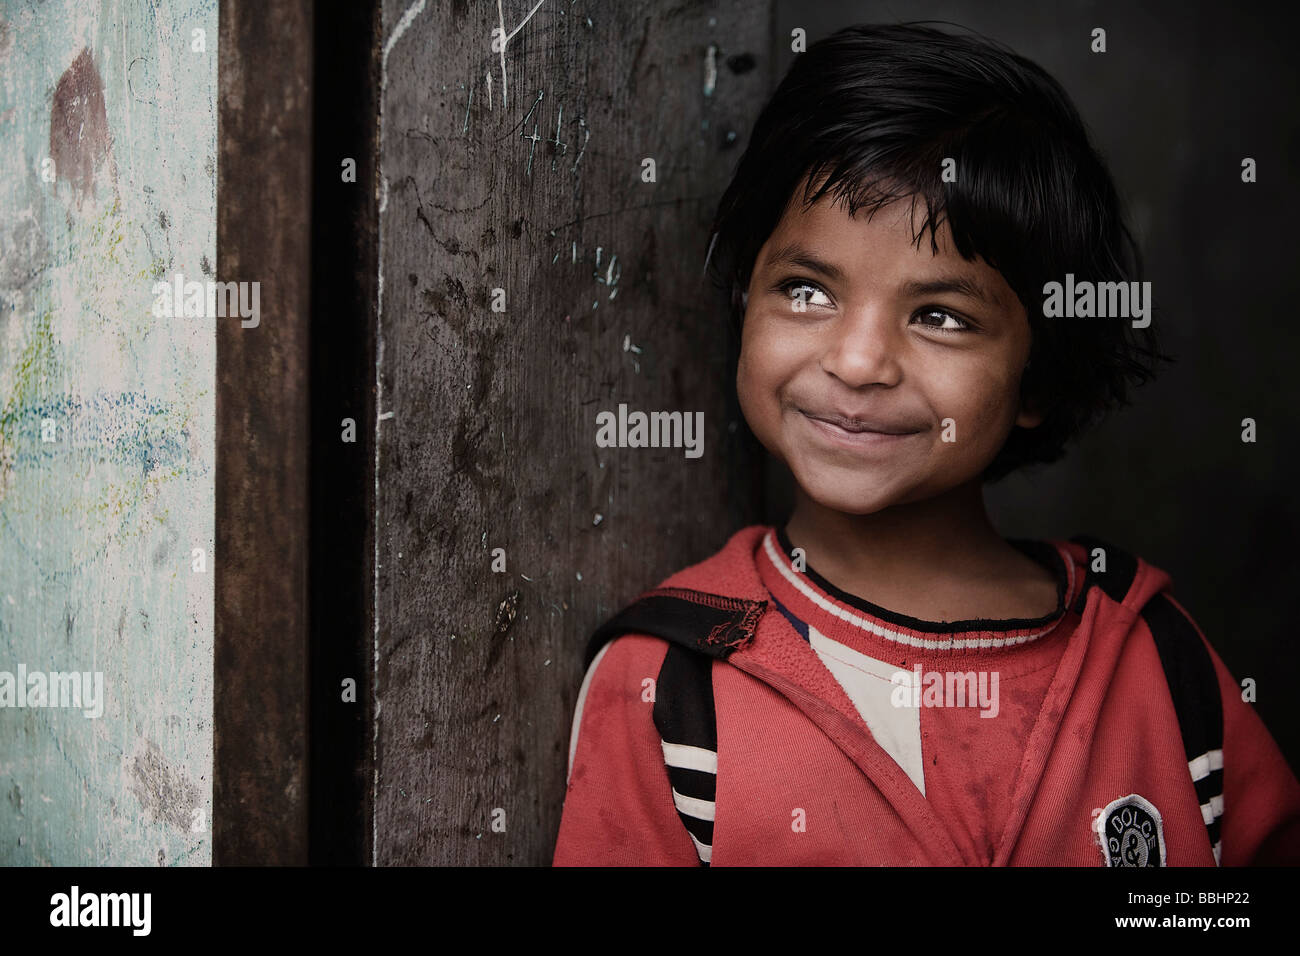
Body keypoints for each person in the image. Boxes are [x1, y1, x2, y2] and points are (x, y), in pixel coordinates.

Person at [551, 22, 1300, 866]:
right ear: (742, 304)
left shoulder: (1161, 666)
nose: (860, 361)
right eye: (805, 290)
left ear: (1040, 375)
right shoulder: (672, 688)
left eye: (940, 316)